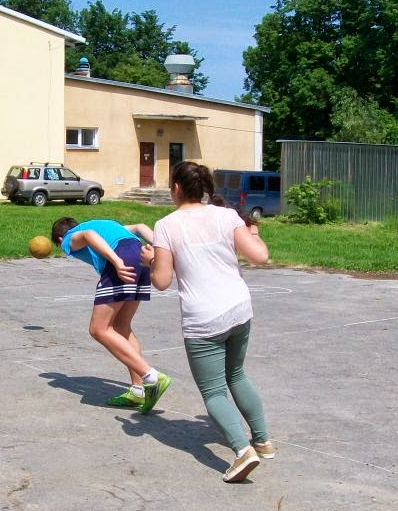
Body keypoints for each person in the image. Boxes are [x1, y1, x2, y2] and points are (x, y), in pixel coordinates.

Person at [149, 161, 272, 483]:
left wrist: (151, 261)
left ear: (176, 188)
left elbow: (161, 281)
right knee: (237, 374)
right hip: (238, 308)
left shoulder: (166, 225)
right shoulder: (226, 216)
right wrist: (254, 233)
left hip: (203, 318)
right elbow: (260, 256)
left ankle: (243, 451)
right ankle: (262, 440)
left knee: (214, 392)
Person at [50, 216, 171, 413]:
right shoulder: (107, 226)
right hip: (141, 258)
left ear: (59, 239)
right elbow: (140, 226)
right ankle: (138, 390)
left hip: (121, 261)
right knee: (122, 326)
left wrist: (116, 261)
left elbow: (88, 235)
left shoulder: (69, 238)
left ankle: (152, 377)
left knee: (98, 329)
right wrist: (162, 254)